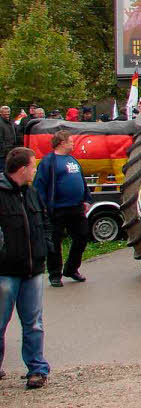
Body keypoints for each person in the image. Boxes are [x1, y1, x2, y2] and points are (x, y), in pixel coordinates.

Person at [0, 147, 51, 388]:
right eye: (32, 165)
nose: (35, 170)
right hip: (6, 272)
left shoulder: (32, 193)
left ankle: (37, 369)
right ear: (22, 169)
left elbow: (44, 221)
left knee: (33, 323)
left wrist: (47, 249)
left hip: (33, 269)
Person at [33, 129, 90, 287]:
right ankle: (55, 274)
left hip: (76, 207)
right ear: (62, 143)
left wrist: (86, 198)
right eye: (70, 140)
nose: (73, 142)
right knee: (55, 242)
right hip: (57, 209)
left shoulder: (72, 160)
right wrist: (43, 208)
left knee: (82, 236)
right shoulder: (48, 162)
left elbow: (81, 180)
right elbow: (40, 186)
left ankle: (71, 268)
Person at [0, 107, 17, 174]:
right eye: (5, 112)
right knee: (2, 171)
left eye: (8, 112)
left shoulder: (11, 122)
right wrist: (5, 150)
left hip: (11, 150)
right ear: (1, 113)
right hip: (3, 153)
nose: (7, 113)